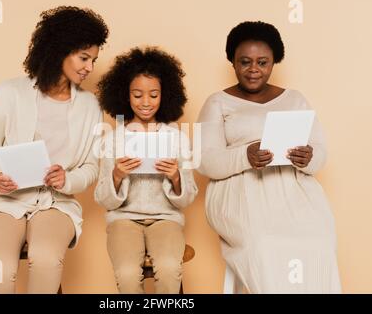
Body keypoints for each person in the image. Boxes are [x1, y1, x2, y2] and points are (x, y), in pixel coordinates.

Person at [197, 21, 341, 293]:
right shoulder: (217, 102)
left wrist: (308, 157)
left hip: (294, 194)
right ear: (232, 62)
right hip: (242, 196)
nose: (254, 70)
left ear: (274, 62)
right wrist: (245, 156)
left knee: (319, 240)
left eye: (262, 62)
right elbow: (205, 161)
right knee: (263, 244)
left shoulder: (295, 99)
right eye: (245, 62)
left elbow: (321, 153)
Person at [0, 6, 109, 293]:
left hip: (57, 204)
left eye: (93, 60)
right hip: (7, 201)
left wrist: (67, 180)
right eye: (84, 58)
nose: (90, 67)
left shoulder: (90, 106)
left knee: (47, 258)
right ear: (59, 50)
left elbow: (91, 167)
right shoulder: (9, 92)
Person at [94, 47, 198, 293]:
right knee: (128, 274)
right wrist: (117, 176)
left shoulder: (176, 138)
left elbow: (189, 195)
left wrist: (175, 177)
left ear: (165, 95)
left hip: (166, 219)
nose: (145, 102)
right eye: (137, 95)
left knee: (170, 268)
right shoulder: (113, 139)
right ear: (125, 95)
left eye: (153, 95)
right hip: (123, 219)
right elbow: (101, 197)